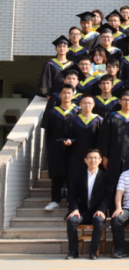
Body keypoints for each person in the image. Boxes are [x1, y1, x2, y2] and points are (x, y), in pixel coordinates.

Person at [65, 149, 112, 260]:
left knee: (99, 221)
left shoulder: (106, 176)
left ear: (100, 160)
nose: (93, 160)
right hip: (81, 212)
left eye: (95, 158)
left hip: (97, 212)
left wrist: (101, 210)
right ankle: (73, 251)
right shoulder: (78, 176)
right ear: (85, 160)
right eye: (90, 158)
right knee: (71, 220)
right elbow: (72, 195)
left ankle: (93, 251)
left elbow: (108, 196)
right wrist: (75, 209)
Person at [98, 86, 129, 186]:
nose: (127, 102)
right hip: (113, 156)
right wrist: (105, 156)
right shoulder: (111, 117)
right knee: (112, 183)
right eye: (124, 99)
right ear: (120, 101)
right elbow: (104, 137)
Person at [42, 83, 78, 211]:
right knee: (56, 174)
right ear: (60, 95)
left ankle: (71, 200)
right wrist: (50, 148)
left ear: (73, 95)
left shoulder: (78, 111)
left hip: (73, 148)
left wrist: (73, 142)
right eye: (64, 93)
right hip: (56, 147)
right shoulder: (53, 113)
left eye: (69, 93)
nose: (66, 95)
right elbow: (49, 133)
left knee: (72, 174)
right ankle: (55, 200)